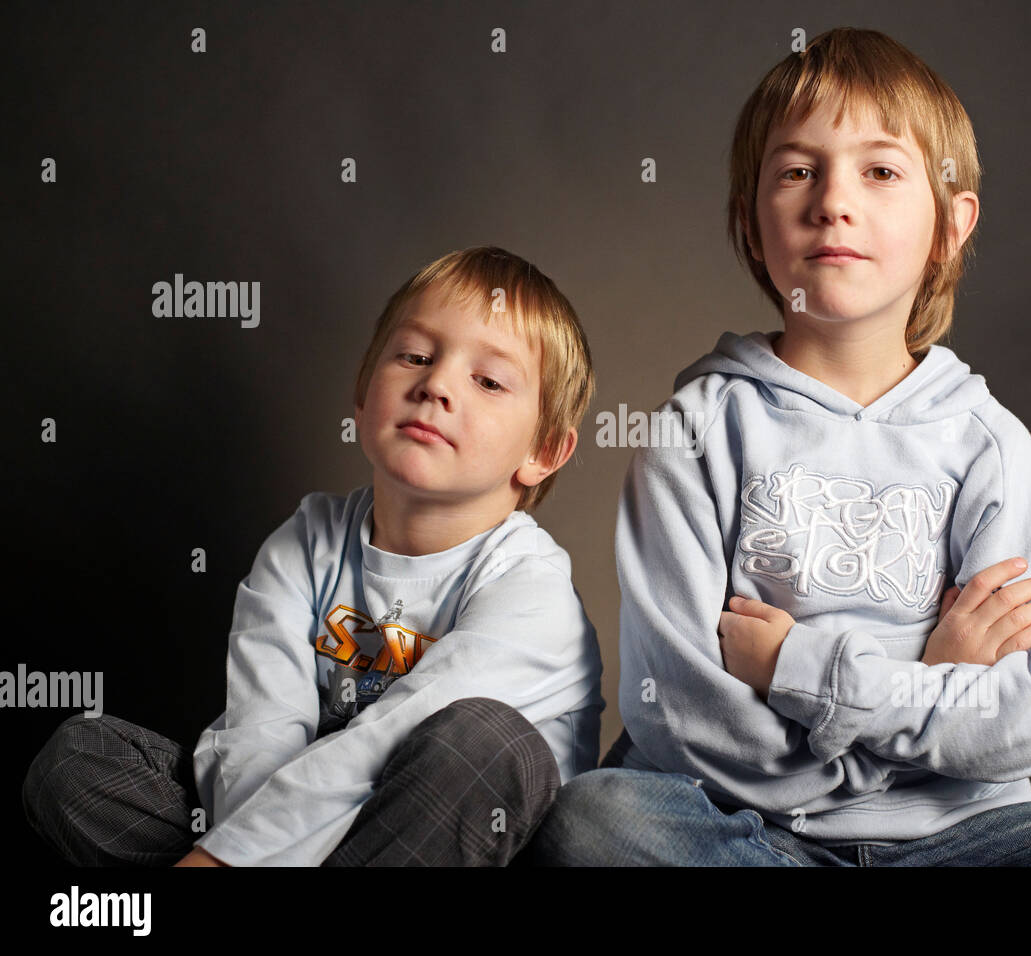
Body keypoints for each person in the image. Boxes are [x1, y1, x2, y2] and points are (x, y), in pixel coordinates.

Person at [520, 28, 1031, 866]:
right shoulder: (695, 430)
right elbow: (680, 714)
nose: (833, 201)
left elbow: (1027, 719)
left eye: (880, 171)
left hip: (964, 838)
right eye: (798, 170)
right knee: (595, 823)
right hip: (750, 836)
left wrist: (800, 668)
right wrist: (933, 677)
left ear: (951, 225)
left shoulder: (987, 444)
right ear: (749, 220)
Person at [23, 246, 604, 867]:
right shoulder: (307, 540)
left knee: (490, 742)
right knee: (81, 758)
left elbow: (387, 742)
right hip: (306, 837)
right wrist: (236, 855)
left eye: (487, 381)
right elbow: (258, 732)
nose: (435, 385)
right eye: (415, 356)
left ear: (544, 449)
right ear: (362, 389)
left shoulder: (530, 591)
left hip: (443, 839)